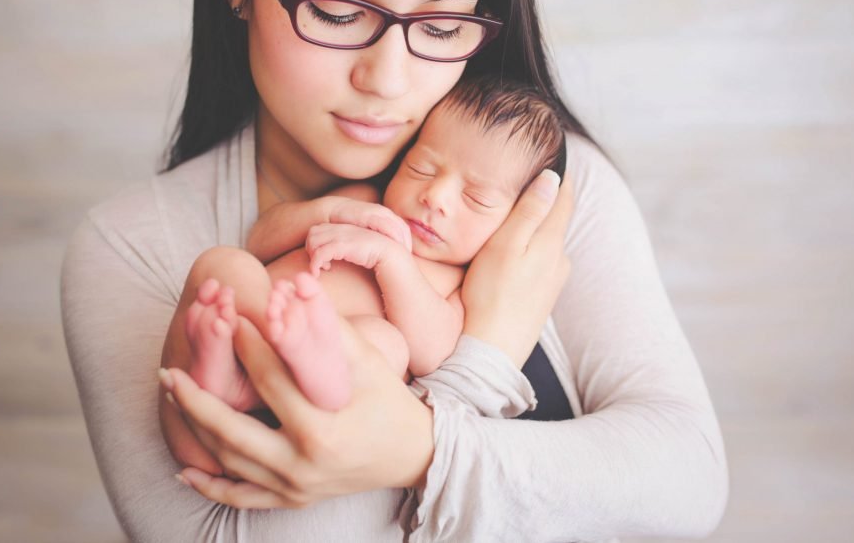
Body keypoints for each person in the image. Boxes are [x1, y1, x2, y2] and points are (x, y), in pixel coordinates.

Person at [61, 0, 729, 541]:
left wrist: (424, 445)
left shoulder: (543, 191)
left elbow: (689, 482)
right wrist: (484, 353)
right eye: (337, 10)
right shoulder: (134, 243)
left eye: (441, 26)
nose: (387, 78)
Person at [175, 77, 566, 415]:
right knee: (224, 263)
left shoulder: (460, 281)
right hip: (260, 318)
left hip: (327, 377)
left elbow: (432, 353)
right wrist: (328, 210)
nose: (436, 196)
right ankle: (230, 374)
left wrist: (392, 260)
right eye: (421, 169)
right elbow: (258, 241)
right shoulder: (363, 203)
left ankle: (276, 383)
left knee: (389, 346)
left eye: (476, 199)